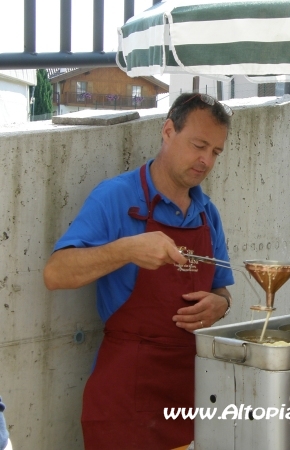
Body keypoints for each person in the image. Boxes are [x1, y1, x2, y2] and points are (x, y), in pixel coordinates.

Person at [43, 93, 235, 449]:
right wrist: (128, 249)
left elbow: (223, 289)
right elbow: (56, 274)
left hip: (186, 398)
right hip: (124, 401)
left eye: (216, 152)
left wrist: (221, 305)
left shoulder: (208, 214)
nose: (206, 160)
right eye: (199, 145)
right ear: (167, 131)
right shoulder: (115, 197)